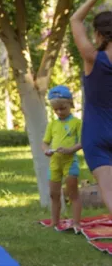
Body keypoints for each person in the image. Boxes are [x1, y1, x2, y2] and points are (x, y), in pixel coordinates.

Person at [71, 0, 112, 214]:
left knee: (109, 190)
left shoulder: (92, 58)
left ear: (97, 34)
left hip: (96, 133)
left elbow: (75, 20)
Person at [42, 86, 83, 233]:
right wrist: (46, 150)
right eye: (56, 110)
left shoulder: (77, 123)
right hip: (55, 163)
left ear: (70, 104)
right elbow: (45, 142)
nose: (59, 112)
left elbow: (82, 142)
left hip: (70, 162)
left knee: (72, 194)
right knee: (54, 194)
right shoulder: (52, 124)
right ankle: (54, 221)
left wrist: (70, 150)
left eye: (63, 108)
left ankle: (76, 222)